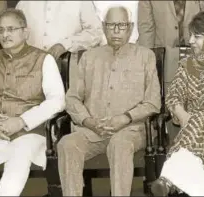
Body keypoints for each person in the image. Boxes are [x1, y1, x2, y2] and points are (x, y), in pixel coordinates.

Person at [57, 5, 161, 196]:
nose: (116, 31)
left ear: (130, 28)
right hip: (93, 130)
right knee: (67, 144)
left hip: (131, 130)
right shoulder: (89, 57)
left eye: (121, 25)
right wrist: (88, 121)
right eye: (111, 25)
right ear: (104, 27)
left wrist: (125, 118)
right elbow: (72, 98)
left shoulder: (146, 56)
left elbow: (153, 102)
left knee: (119, 144)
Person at [0, 9, 65, 196]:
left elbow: (57, 100)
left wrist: (21, 121)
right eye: (1, 30)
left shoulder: (44, 59)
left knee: (18, 161)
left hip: (30, 133)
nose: (5, 35)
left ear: (25, 32)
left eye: (11, 29)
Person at [151, 12, 204, 196]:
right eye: (191, 35)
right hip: (194, 125)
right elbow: (174, 95)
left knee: (197, 149)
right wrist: (182, 114)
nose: (190, 41)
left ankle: (168, 179)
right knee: (196, 128)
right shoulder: (187, 65)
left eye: (197, 36)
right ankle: (170, 179)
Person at [137, 0, 204, 143]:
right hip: (167, 60)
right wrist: (149, 68)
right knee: (174, 115)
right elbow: (146, 30)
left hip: (203, 56)